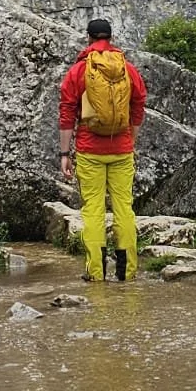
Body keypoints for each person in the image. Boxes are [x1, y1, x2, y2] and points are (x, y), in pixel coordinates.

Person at [58, 17, 146, 283]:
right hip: (122, 150)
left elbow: (67, 113)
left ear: (88, 38)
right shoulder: (127, 69)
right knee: (124, 209)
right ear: (111, 37)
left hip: (89, 150)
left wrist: (65, 153)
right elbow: (139, 103)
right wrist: (131, 139)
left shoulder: (79, 71)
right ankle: (127, 272)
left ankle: (96, 273)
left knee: (93, 211)